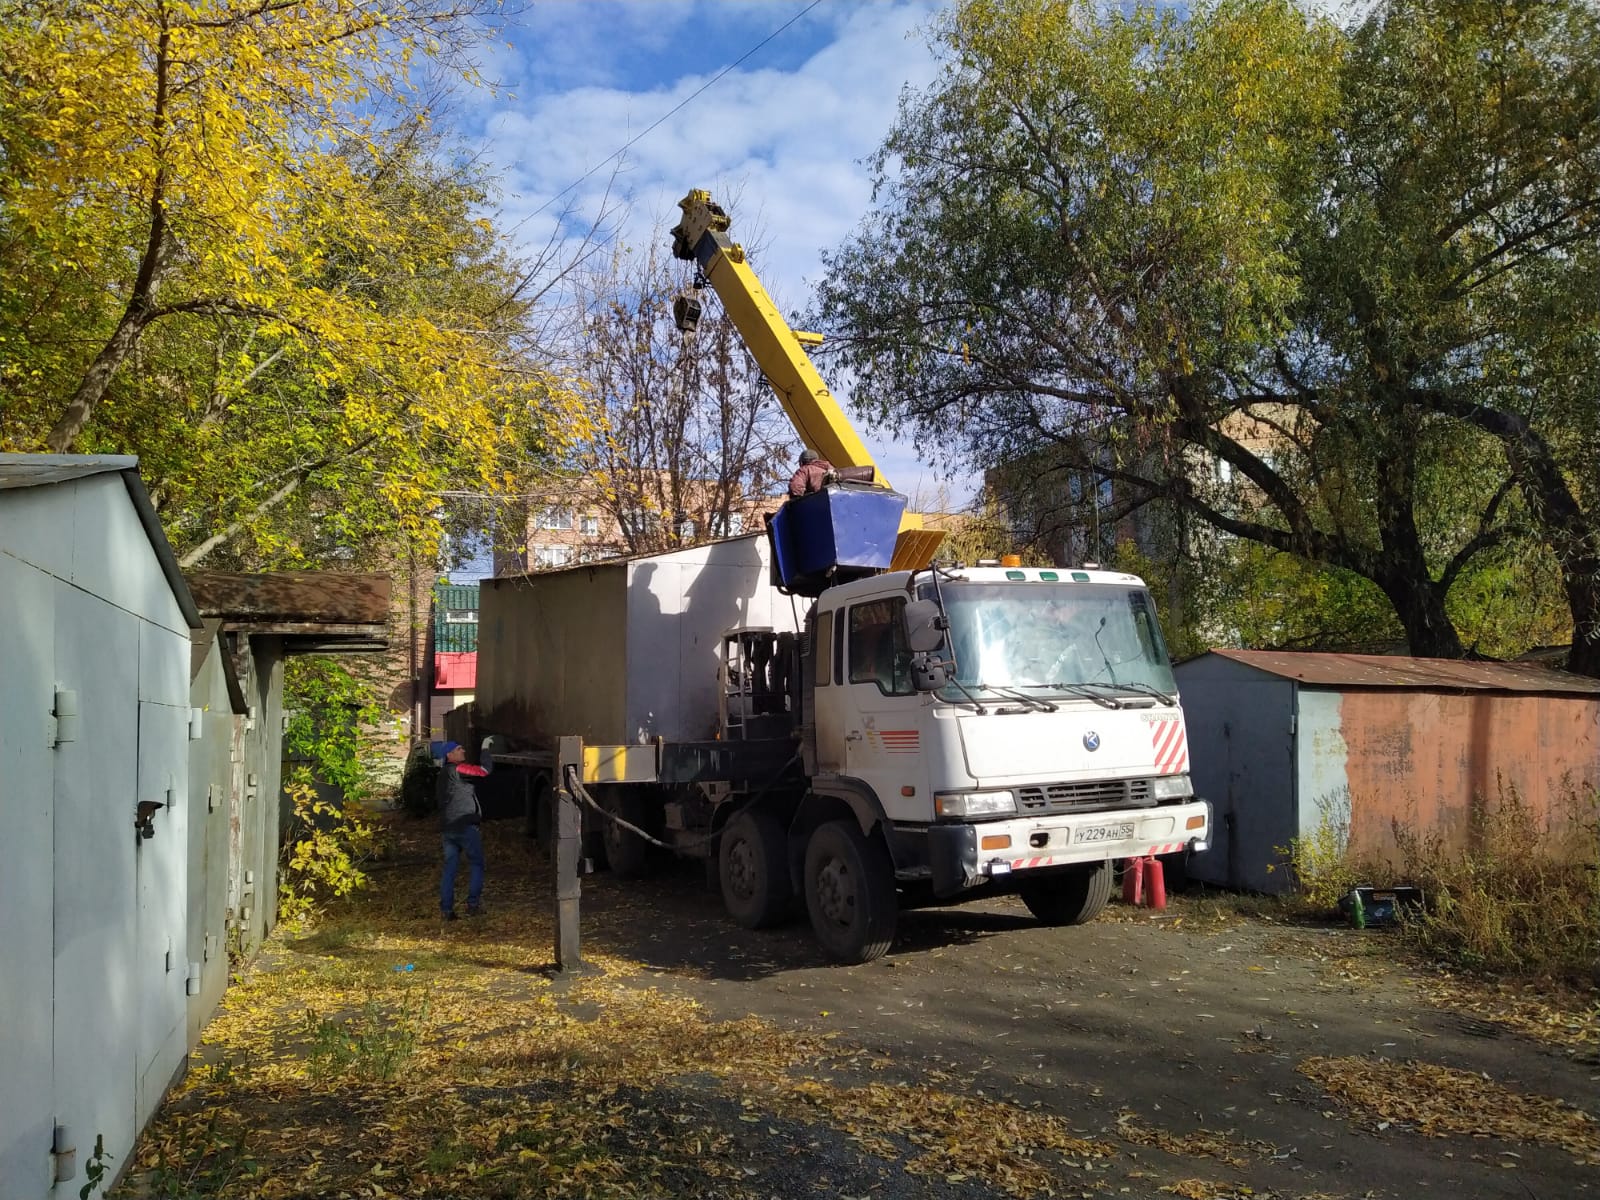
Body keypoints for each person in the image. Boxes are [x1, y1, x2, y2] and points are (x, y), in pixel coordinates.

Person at [435, 740, 490, 919]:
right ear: (449, 755)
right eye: (459, 749)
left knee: (450, 867)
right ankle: (472, 905)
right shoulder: (458, 769)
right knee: (477, 863)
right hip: (464, 826)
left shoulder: (442, 774)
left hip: (448, 827)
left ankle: (446, 910)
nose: (463, 750)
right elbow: (483, 771)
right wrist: (485, 748)